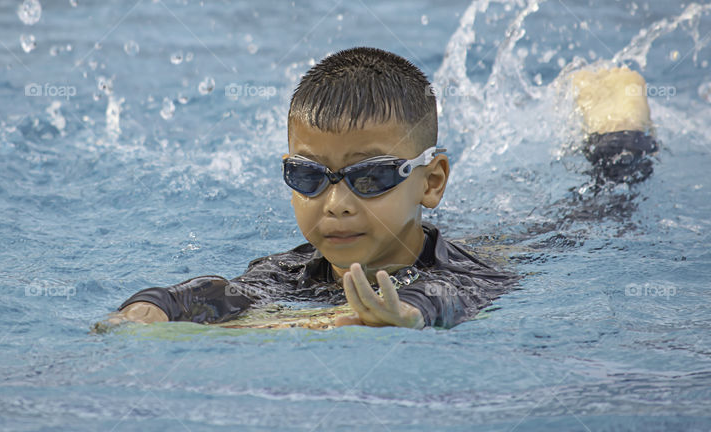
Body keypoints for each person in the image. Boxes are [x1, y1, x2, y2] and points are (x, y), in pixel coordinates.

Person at [92, 49, 657, 331]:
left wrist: (405, 316)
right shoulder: (295, 272)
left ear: (430, 182)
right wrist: (156, 306)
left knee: (605, 203)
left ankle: (618, 131)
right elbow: (221, 292)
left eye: (369, 178)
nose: (336, 203)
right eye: (309, 177)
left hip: (526, 246)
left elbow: (441, 299)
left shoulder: (463, 278)